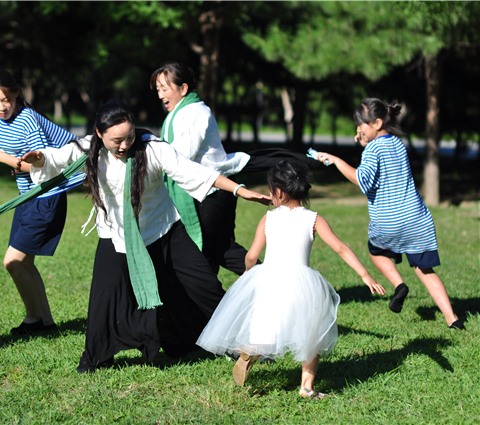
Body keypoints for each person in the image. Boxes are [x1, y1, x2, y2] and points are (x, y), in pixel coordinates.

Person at [21, 100, 271, 373]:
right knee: (106, 298)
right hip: (117, 236)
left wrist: (239, 190)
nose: (124, 145)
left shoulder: (152, 148)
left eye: (129, 137)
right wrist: (40, 159)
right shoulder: (88, 149)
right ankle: (96, 358)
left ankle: (244, 344)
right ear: (99, 134)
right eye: (116, 140)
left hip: (164, 230)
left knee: (205, 287)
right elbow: (56, 159)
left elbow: (195, 173)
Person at [196, 159, 386, 397]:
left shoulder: (268, 218)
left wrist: (247, 271)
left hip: (269, 278)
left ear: (277, 192)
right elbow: (340, 248)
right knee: (311, 334)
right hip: (302, 283)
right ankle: (306, 386)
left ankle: (251, 351)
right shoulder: (314, 219)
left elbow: (252, 255)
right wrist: (365, 275)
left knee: (267, 326)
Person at [151, 61, 319, 275]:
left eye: (164, 89)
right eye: (158, 89)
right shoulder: (184, 112)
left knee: (201, 254)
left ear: (183, 89)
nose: (160, 95)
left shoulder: (193, 113)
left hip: (210, 195)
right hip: (214, 193)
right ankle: (270, 282)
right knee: (220, 250)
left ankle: (257, 285)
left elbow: (179, 157)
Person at [314, 98, 464, 330]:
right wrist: (365, 145)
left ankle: (399, 285)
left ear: (377, 122)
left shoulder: (373, 149)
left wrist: (335, 160)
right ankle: (452, 319)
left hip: (388, 220)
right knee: (424, 270)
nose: (358, 130)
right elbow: (380, 163)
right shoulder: (396, 143)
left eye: (361, 125)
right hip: (416, 218)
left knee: (376, 252)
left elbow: (362, 181)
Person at [0, 70, 84, 336]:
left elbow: (40, 166)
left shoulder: (27, 119)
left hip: (45, 196)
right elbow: (6, 153)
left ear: (15, 93)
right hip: (26, 198)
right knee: (25, 264)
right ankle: (44, 324)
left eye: (6, 99)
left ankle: (34, 318)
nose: (2, 107)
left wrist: (2, 158)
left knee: (12, 262)